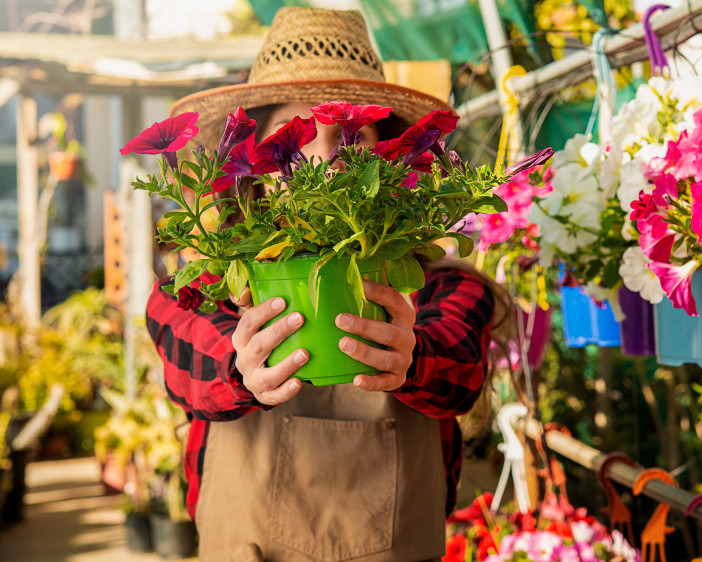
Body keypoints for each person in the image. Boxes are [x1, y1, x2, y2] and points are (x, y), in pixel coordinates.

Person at [145, 8, 510, 561]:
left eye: (348, 136)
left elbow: (459, 369)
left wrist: (414, 358)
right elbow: (185, 357)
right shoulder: (212, 281)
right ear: (248, 159)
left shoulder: (440, 286)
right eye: (293, 137)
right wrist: (240, 367)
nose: (322, 157)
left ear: (387, 156)